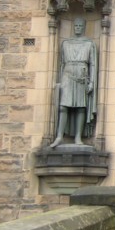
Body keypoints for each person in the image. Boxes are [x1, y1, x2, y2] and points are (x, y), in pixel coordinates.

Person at [49, 17, 98, 148]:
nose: (77, 28)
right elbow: (61, 64)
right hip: (67, 75)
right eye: (75, 25)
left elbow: (93, 64)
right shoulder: (65, 43)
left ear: (83, 27)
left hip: (82, 77)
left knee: (81, 108)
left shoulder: (89, 44)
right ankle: (59, 136)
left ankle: (78, 137)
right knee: (63, 106)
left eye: (80, 26)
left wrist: (92, 82)